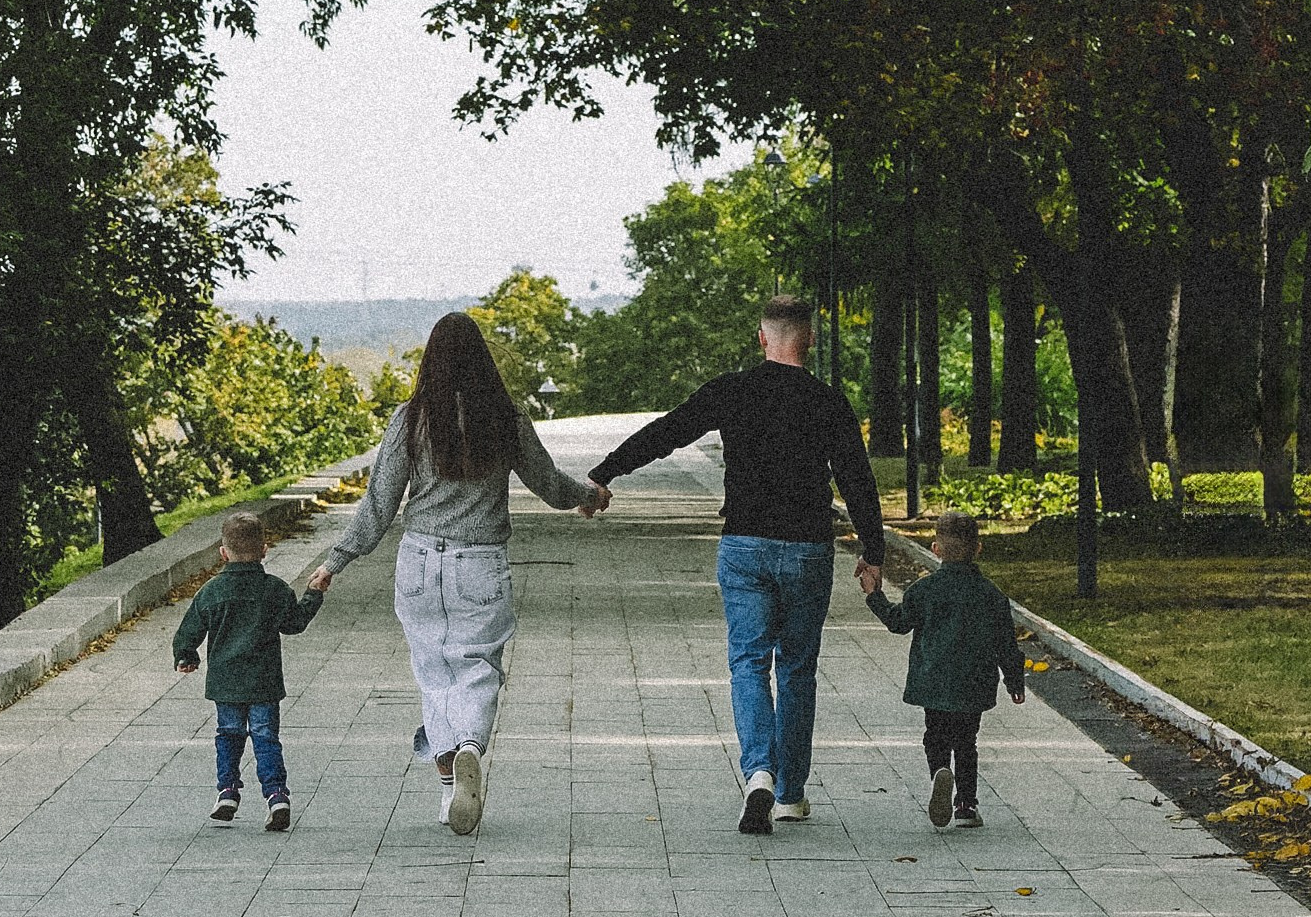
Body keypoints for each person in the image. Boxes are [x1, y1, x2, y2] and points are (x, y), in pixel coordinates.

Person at [587, 296, 885, 837]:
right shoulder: (827, 401)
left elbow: (667, 432)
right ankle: (790, 794)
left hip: (744, 545)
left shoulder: (733, 390)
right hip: (808, 548)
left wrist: (605, 473)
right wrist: (873, 550)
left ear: (762, 338)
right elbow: (856, 478)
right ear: (810, 339)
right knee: (797, 668)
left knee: (749, 663)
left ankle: (759, 773)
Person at [307, 312, 609, 836]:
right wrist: (588, 496)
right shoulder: (506, 417)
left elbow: (379, 503)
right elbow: (547, 482)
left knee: (433, 672)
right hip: (481, 563)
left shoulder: (410, 419)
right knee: (477, 669)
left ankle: (450, 790)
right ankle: (470, 744)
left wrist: (335, 561)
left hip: (420, 561)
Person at [864, 506, 1025, 829]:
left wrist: (874, 595)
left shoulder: (924, 591)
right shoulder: (991, 595)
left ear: (936, 549)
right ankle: (966, 805)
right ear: (978, 548)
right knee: (966, 741)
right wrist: (1014, 681)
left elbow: (898, 623)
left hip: (933, 680)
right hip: (974, 682)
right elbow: (1006, 643)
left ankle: (939, 769)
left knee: (935, 735)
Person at [173, 507, 325, 832]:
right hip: (264, 682)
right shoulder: (276, 590)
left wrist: (187, 656)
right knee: (266, 738)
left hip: (226, 683)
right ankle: (277, 796)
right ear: (264, 550)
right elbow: (294, 624)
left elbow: (189, 630)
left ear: (223, 552)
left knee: (228, 735)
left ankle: (227, 792)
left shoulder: (211, 591)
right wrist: (314, 594)